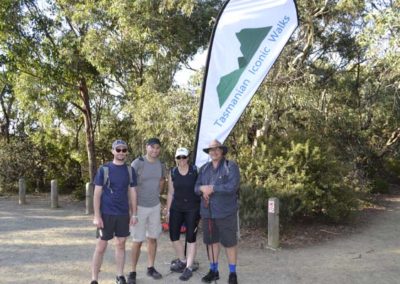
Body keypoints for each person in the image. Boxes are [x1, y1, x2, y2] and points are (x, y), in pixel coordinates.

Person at [91, 140, 138, 284]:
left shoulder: (130, 170)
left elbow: (133, 193)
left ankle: (119, 276)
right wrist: (97, 216)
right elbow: (97, 194)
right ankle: (94, 279)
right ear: (113, 151)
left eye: (124, 150)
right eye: (118, 150)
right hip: (106, 214)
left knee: (121, 244)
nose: (121, 152)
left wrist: (134, 213)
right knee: (101, 246)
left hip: (123, 214)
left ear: (126, 152)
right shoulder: (104, 170)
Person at [195, 139, 240, 284]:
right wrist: (202, 189)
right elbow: (196, 188)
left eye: (217, 149)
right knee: (211, 242)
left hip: (226, 212)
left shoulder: (230, 166)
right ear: (208, 153)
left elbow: (232, 186)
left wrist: (213, 188)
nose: (214, 152)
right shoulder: (204, 169)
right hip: (208, 212)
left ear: (222, 151)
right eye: (211, 150)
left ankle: (232, 274)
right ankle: (213, 271)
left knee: (229, 243)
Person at [127, 138, 167, 284]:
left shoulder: (161, 164)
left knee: (153, 238)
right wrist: (132, 209)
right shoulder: (137, 163)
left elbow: (162, 180)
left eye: (157, 148)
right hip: (139, 207)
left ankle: (150, 267)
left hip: (155, 206)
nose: (155, 150)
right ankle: (132, 271)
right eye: (152, 147)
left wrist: (157, 193)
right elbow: (130, 186)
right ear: (146, 147)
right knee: (137, 240)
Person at [166, 147, 201, 281]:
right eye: (179, 157)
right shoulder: (173, 172)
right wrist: (168, 210)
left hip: (193, 208)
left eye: (184, 157)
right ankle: (182, 260)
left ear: (188, 158)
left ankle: (189, 267)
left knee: (191, 238)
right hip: (176, 208)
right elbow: (170, 192)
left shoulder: (195, 170)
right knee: (174, 236)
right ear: (176, 159)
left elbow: (201, 188)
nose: (182, 160)